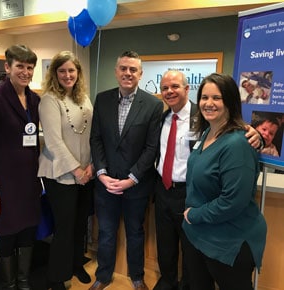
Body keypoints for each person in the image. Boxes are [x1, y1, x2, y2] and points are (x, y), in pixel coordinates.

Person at [153, 70, 264, 290]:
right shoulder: (207, 132)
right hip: (199, 231)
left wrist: (193, 215)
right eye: (204, 97)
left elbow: (233, 200)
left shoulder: (239, 143)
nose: (209, 103)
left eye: (216, 98)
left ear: (230, 101)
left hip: (228, 240)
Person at [89, 50, 163, 290]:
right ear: (116, 71)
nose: (127, 73)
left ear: (140, 74)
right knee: (107, 233)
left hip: (137, 186)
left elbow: (152, 148)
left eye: (133, 70)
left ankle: (137, 277)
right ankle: (103, 276)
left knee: (135, 233)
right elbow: (96, 139)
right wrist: (101, 173)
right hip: (106, 184)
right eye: (123, 68)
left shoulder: (153, 105)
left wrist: (131, 178)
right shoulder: (102, 99)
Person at [38, 51, 94, 290]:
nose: (68, 75)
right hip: (60, 175)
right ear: (55, 73)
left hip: (86, 173)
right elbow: (53, 141)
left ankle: (75, 264)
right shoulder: (49, 100)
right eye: (62, 71)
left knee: (81, 224)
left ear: (78, 73)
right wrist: (77, 170)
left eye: (72, 70)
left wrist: (90, 166)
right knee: (65, 227)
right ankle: (56, 276)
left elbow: (91, 135)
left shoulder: (84, 97)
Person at [0, 44, 41, 290]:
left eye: (29, 67)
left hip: (29, 181)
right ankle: (9, 284)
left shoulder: (34, 100)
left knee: (27, 230)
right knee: (7, 232)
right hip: (4, 182)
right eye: (20, 66)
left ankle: (23, 281)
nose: (25, 71)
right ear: (7, 67)